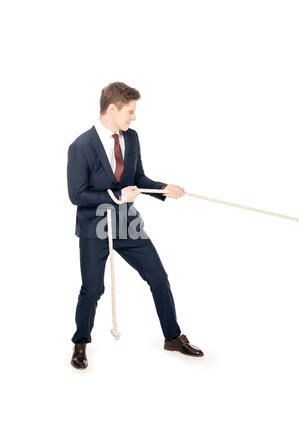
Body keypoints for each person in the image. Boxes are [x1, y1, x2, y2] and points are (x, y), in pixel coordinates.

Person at [67, 82, 204, 370]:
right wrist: (116, 196)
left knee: (158, 277)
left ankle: (172, 337)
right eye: (130, 111)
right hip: (95, 229)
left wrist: (163, 188)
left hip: (128, 226)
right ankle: (80, 343)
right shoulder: (80, 146)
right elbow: (76, 194)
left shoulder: (132, 137)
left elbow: (137, 178)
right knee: (92, 289)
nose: (134, 117)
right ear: (112, 108)